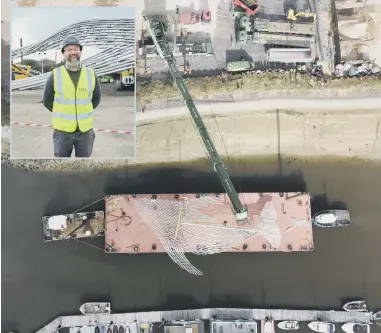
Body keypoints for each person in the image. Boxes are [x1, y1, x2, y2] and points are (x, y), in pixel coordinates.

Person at [43, 36, 101, 157]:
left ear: (80, 52)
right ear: (63, 53)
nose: (73, 52)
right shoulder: (55, 75)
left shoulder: (91, 74)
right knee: (62, 167)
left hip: (85, 131)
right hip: (62, 132)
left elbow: (96, 99)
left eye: (76, 49)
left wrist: (82, 113)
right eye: (69, 49)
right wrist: (63, 114)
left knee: (83, 167)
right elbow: (47, 101)